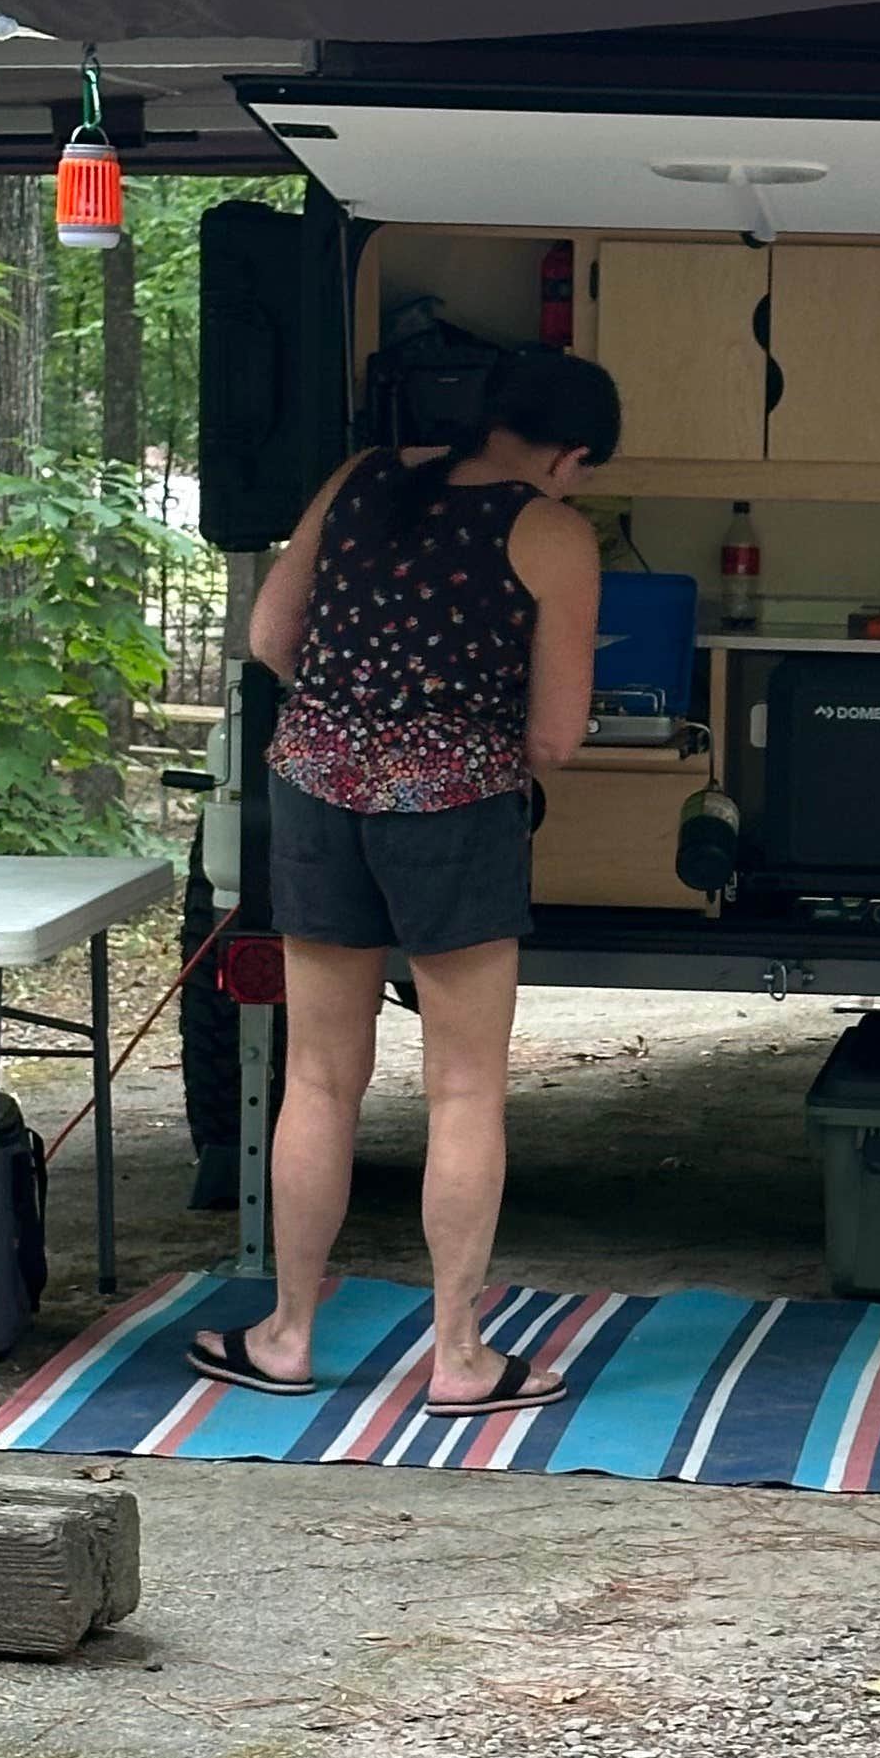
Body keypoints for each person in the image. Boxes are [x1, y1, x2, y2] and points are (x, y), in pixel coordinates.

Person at [188, 345, 617, 1412]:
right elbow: (558, 737)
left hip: (316, 792)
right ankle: (461, 1357)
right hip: (456, 812)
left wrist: (358, 718)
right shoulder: (552, 530)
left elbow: (270, 637)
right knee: (464, 1085)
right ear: (569, 456)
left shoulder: (364, 475)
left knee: (320, 1080)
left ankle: (287, 1335)